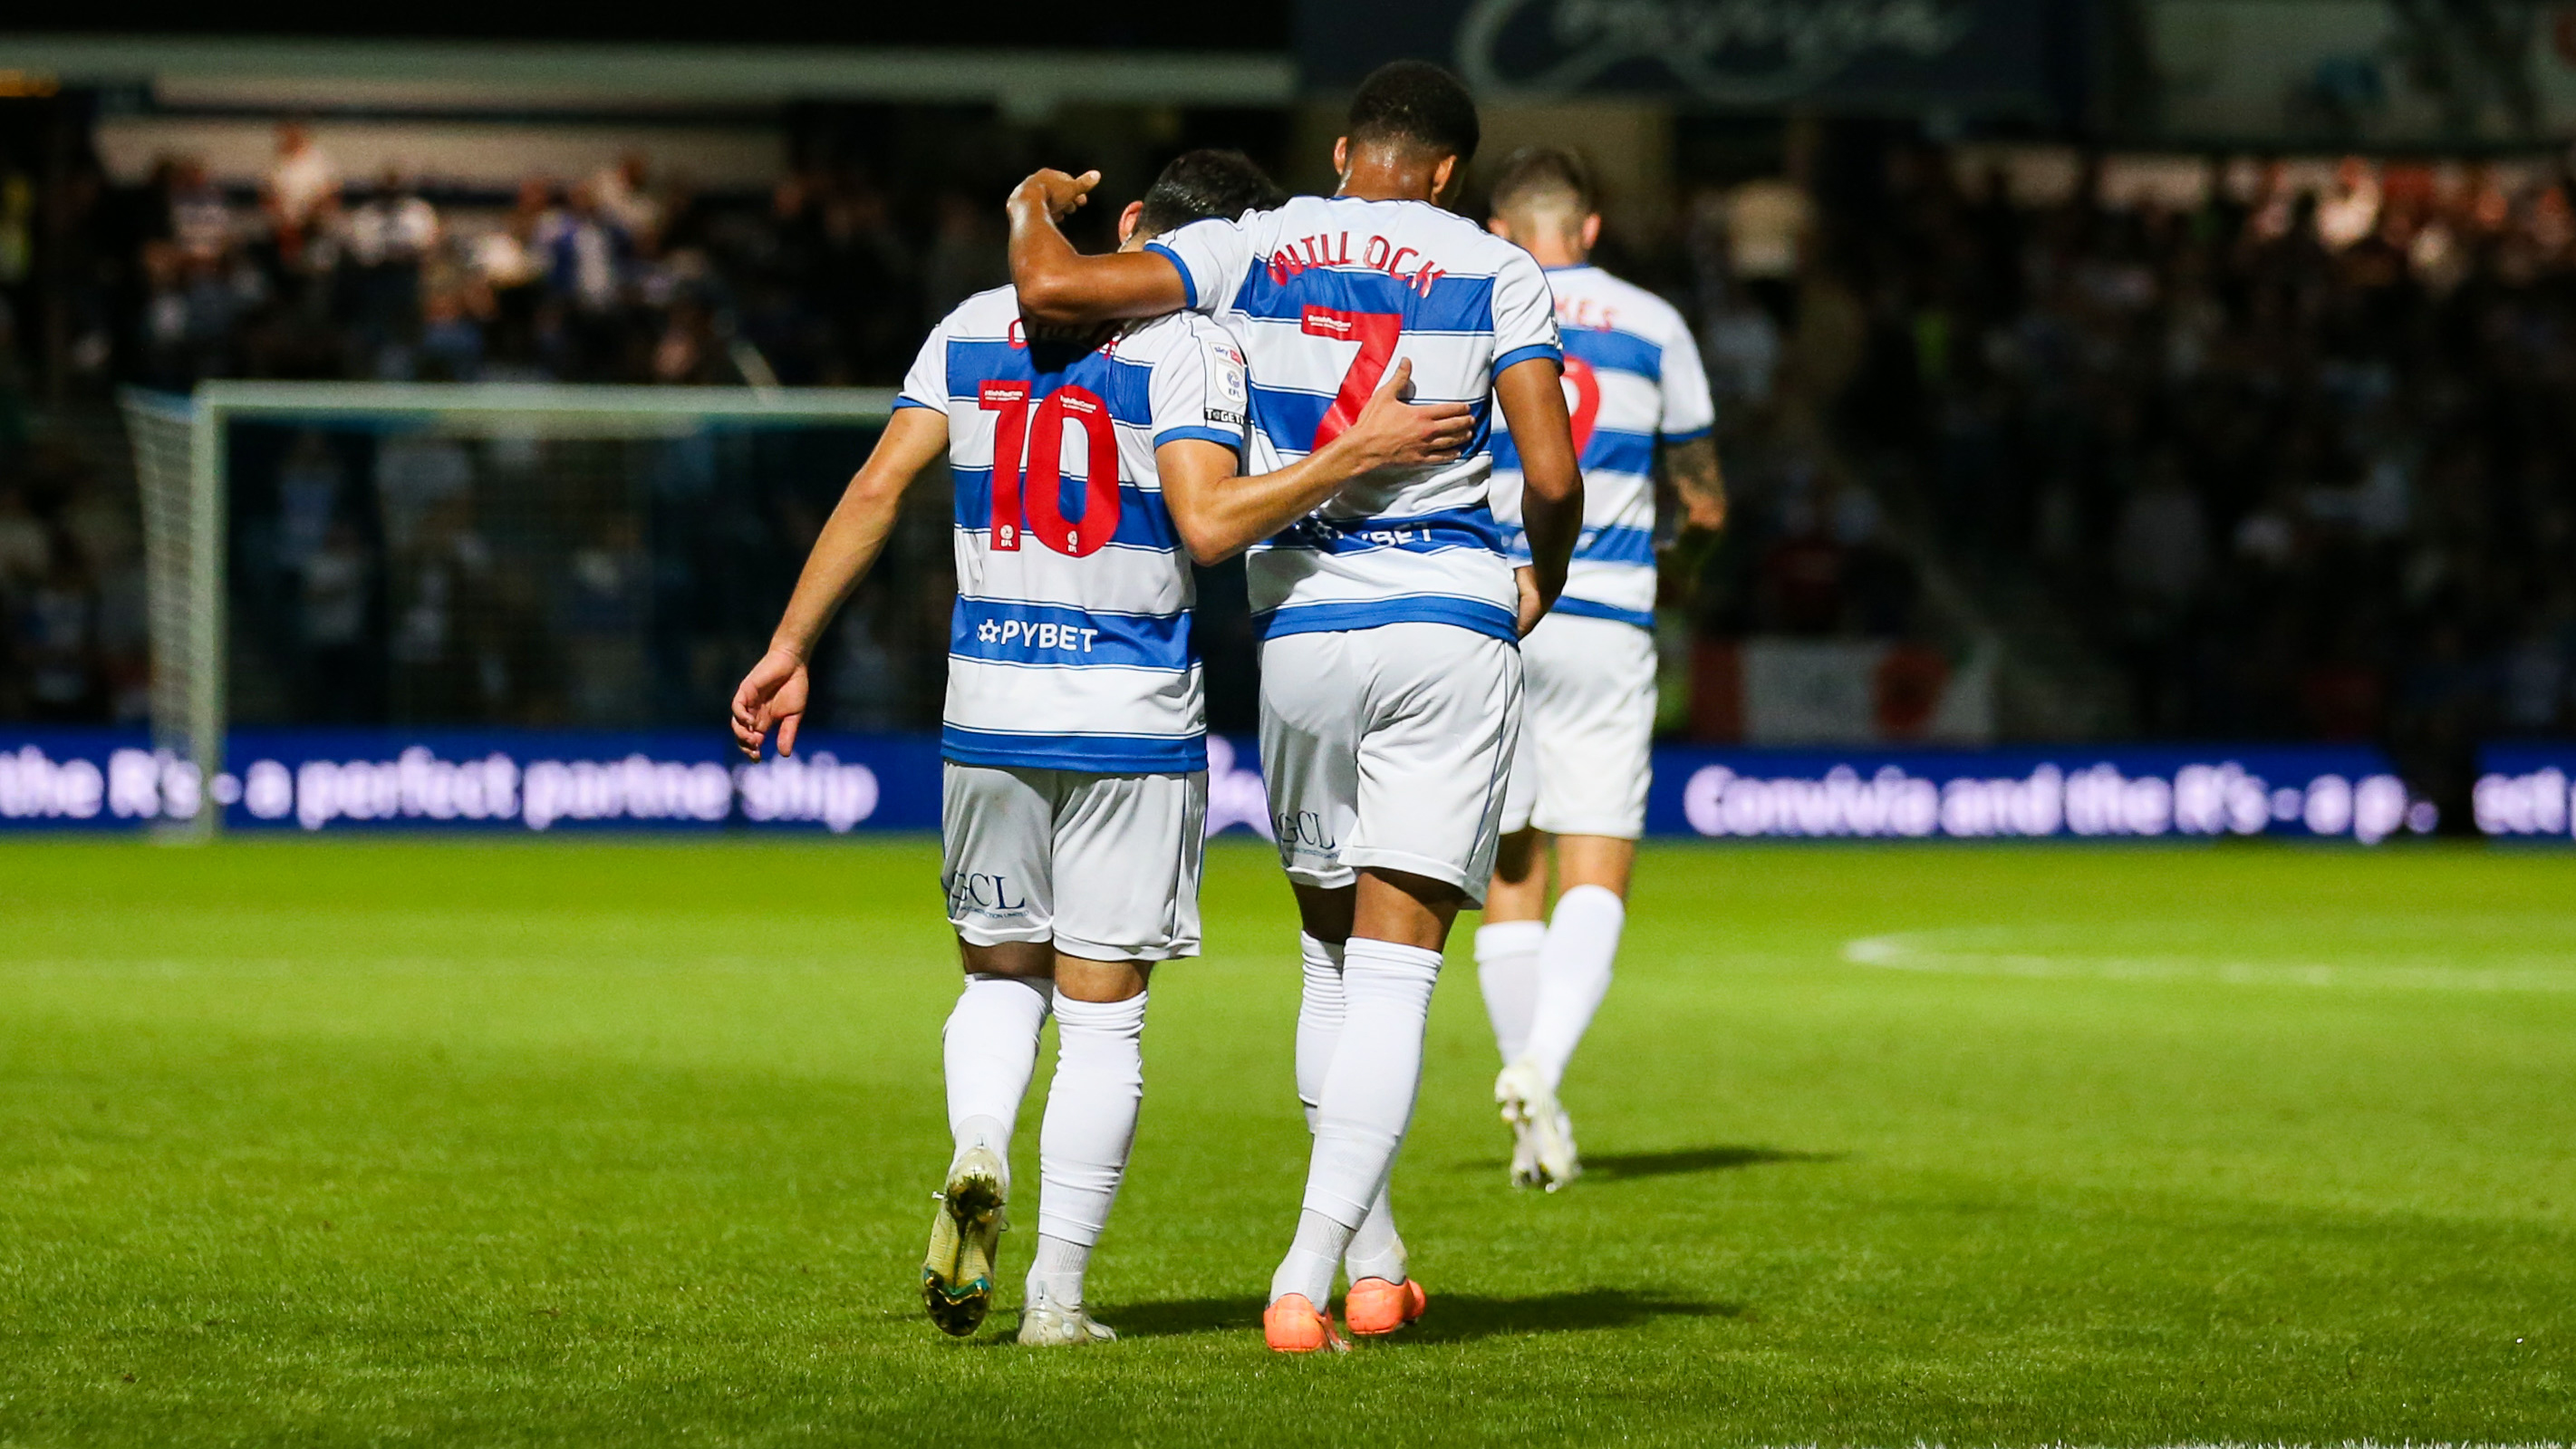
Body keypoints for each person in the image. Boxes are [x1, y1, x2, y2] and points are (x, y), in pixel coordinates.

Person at [730, 150, 1472, 1347]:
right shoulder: (1195, 349)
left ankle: (978, 1145)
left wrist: (788, 640)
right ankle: (1053, 1300)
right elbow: (1209, 522)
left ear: (1132, 223)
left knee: (992, 977)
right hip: (1126, 717)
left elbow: (875, 490)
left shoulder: (969, 326)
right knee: (1103, 1017)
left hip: (986, 706)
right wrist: (1352, 452)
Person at [1006, 60, 1586, 1352]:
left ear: (1341, 151)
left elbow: (1049, 287)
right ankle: (1305, 1270)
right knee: (1391, 974)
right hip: (1442, 624)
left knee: (1328, 961)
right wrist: (1536, 570)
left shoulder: (1248, 242)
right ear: (1445, 172)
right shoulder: (1494, 268)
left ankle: (1373, 1259)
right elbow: (1549, 466)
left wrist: (1026, 202)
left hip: (1305, 630)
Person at [1477, 147, 1728, 1191]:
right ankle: (1541, 1067)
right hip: (1610, 611)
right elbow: (1705, 501)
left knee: (1508, 868)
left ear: (1500, 231)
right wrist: (1681, 574)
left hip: (1491, 616)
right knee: (1597, 862)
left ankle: (1530, 1100)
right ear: (1586, 231)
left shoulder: (1471, 304)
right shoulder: (1652, 323)